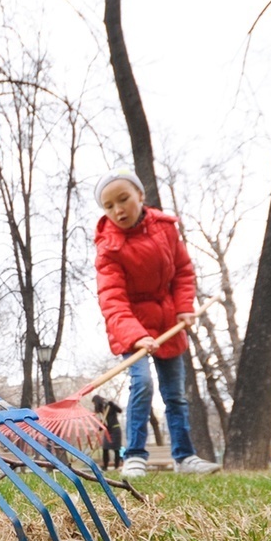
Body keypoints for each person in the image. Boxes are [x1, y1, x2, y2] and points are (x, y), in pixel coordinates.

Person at [93, 169, 221, 477]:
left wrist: (183, 308)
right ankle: (135, 455)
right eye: (109, 206)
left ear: (140, 195)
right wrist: (136, 335)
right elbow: (112, 299)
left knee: (175, 394)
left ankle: (185, 457)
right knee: (142, 384)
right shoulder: (108, 247)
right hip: (131, 325)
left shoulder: (165, 229)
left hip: (168, 323)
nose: (118, 210)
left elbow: (182, 272)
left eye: (123, 199)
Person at [90, 394, 123, 470]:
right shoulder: (101, 411)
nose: (94, 405)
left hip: (115, 429)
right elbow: (104, 423)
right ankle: (105, 466)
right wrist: (100, 428)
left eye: (94, 403)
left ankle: (116, 466)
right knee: (105, 448)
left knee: (116, 449)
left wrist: (113, 405)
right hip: (108, 431)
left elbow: (120, 410)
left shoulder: (109, 405)